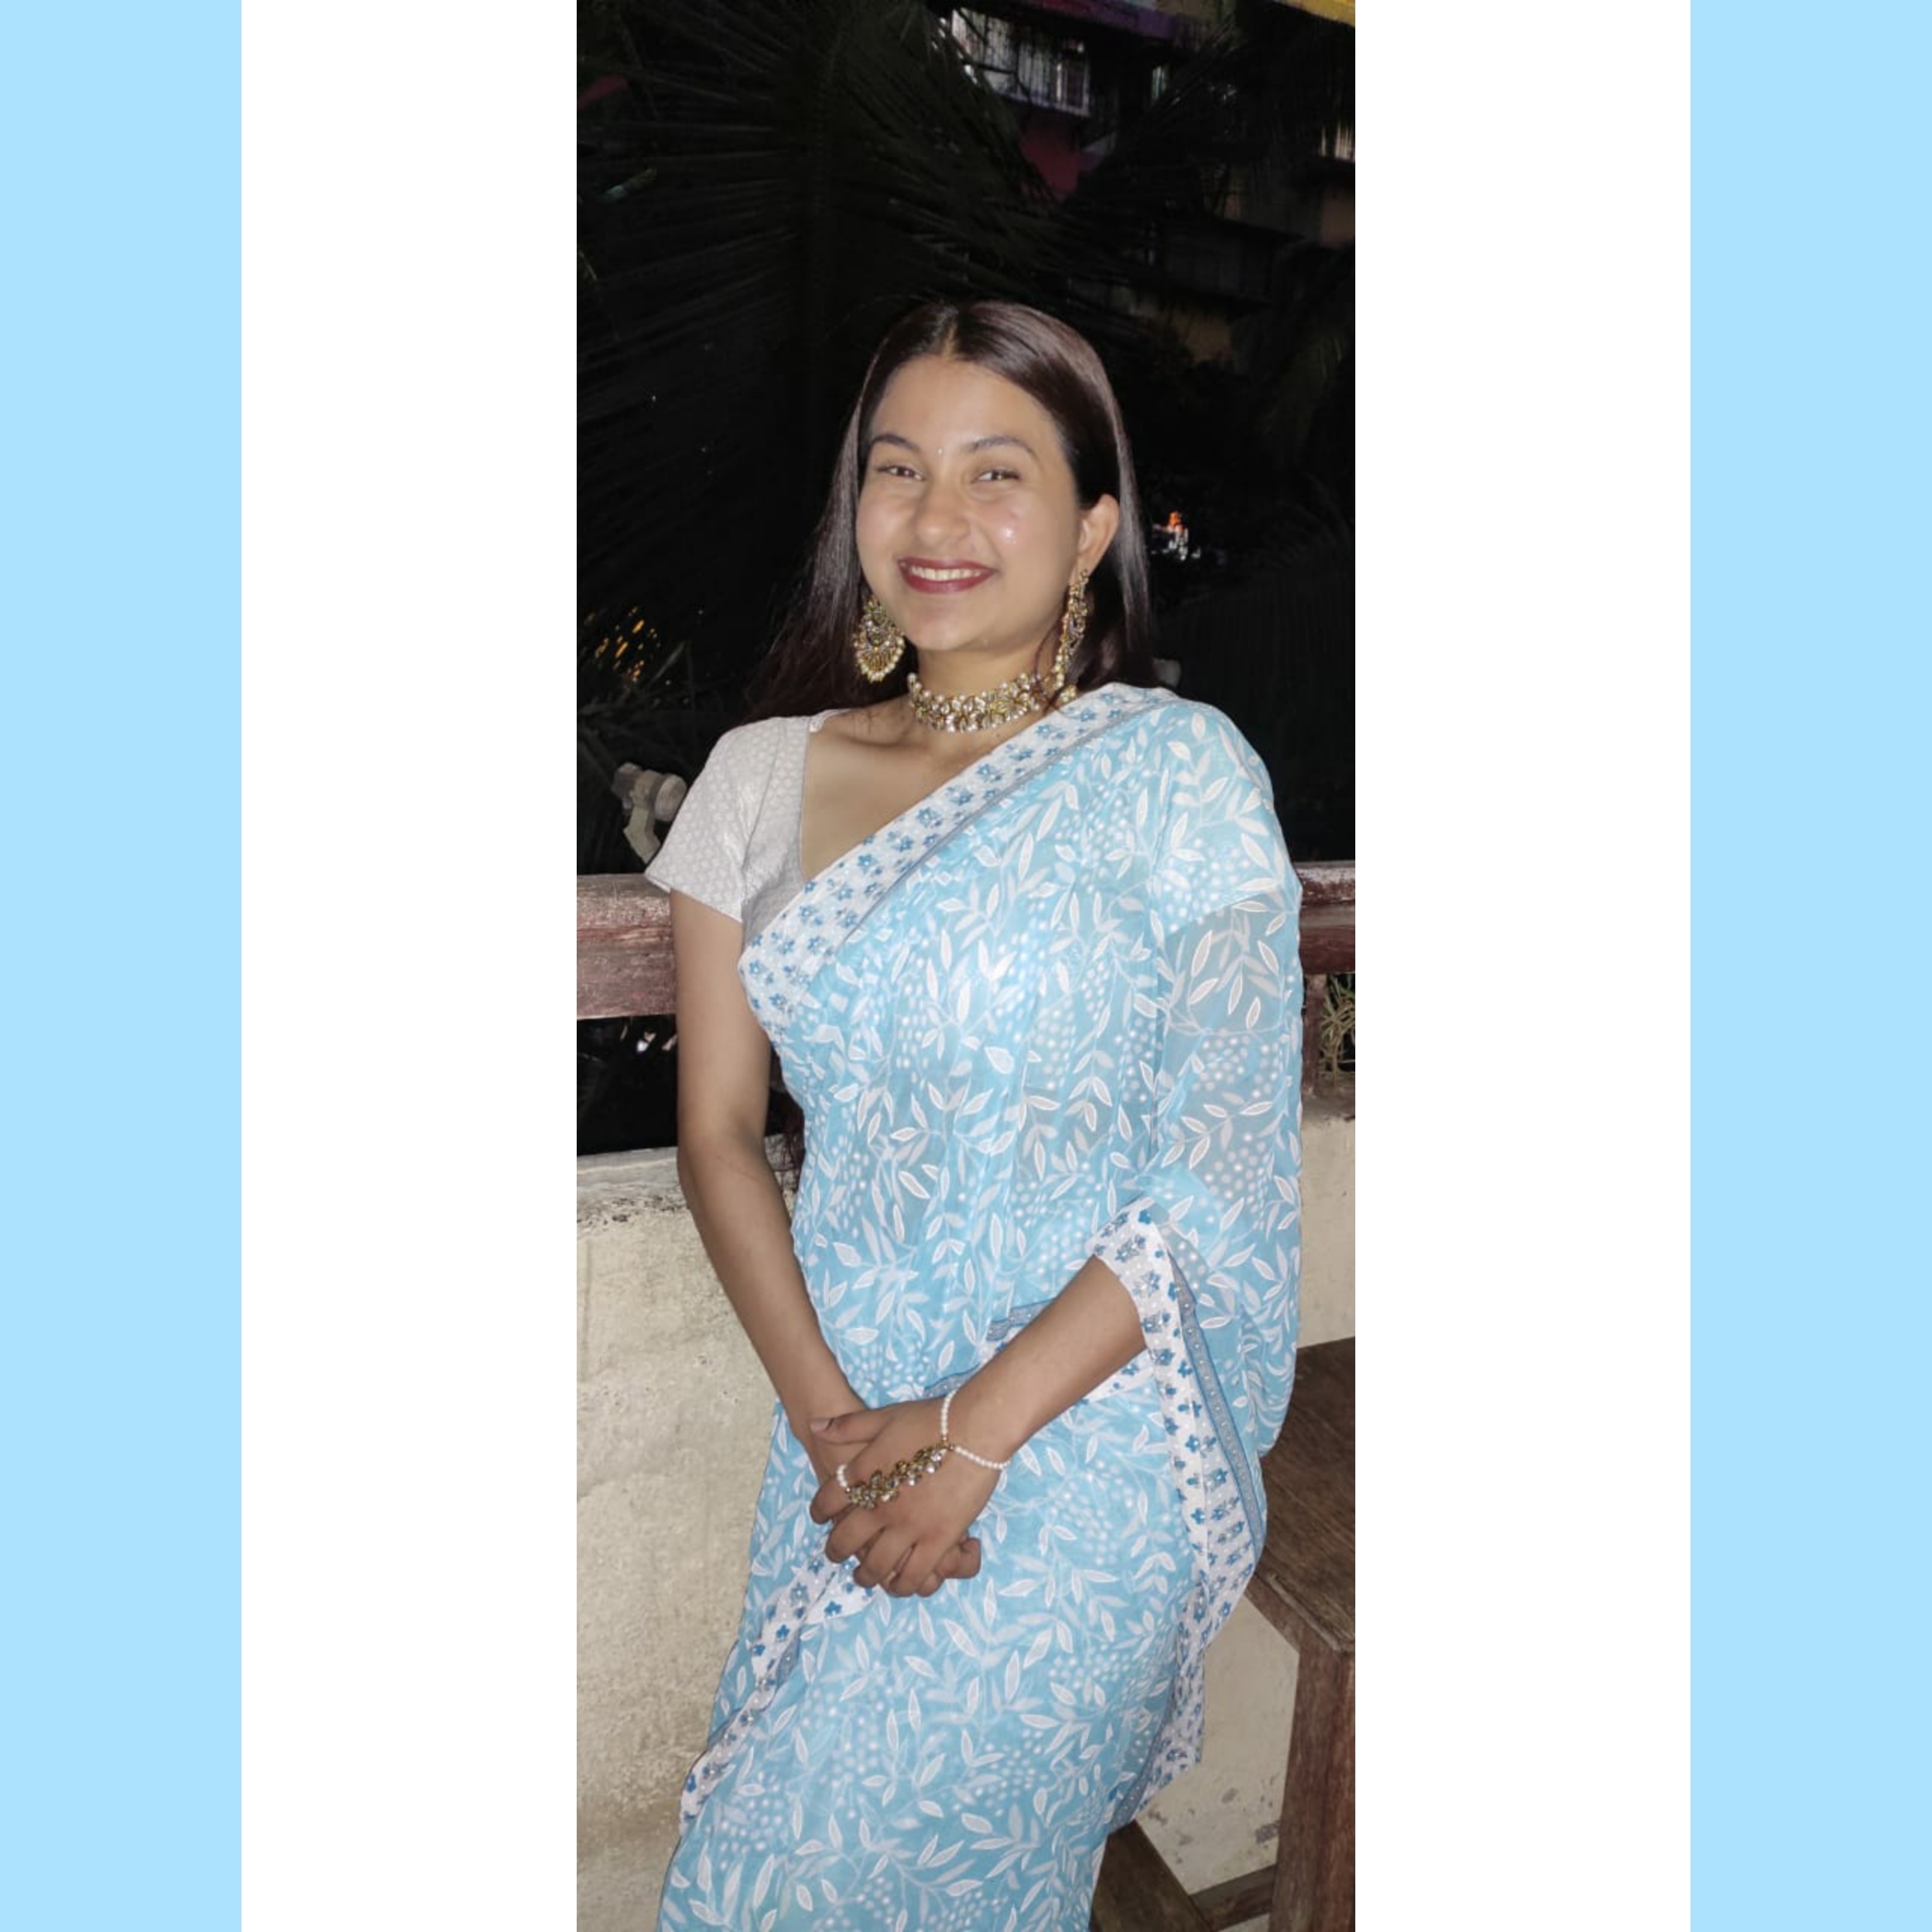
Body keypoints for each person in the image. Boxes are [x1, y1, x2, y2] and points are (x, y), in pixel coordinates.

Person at [644, 300, 1303, 1931]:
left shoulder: (1178, 772)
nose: (937, 518)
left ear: (1091, 528)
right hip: (845, 1431)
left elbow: (1215, 1179)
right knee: (757, 1880)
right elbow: (720, 1132)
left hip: (1077, 1446)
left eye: (997, 473)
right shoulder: (756, 778)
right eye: (899, 469)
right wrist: (843, 1441)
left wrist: (975, 1434)